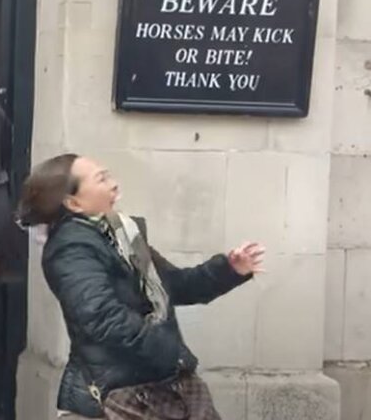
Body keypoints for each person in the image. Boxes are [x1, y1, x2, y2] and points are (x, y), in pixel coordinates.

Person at [17, 154, 265, 420]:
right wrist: (170, 352)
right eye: (102, 179)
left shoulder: (123, 234)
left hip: (161, 386)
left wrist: (228, 270)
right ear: (73, 202)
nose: (114, 185)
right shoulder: (71, 249)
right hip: (118, 396)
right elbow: (102, 318)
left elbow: (175, 285)